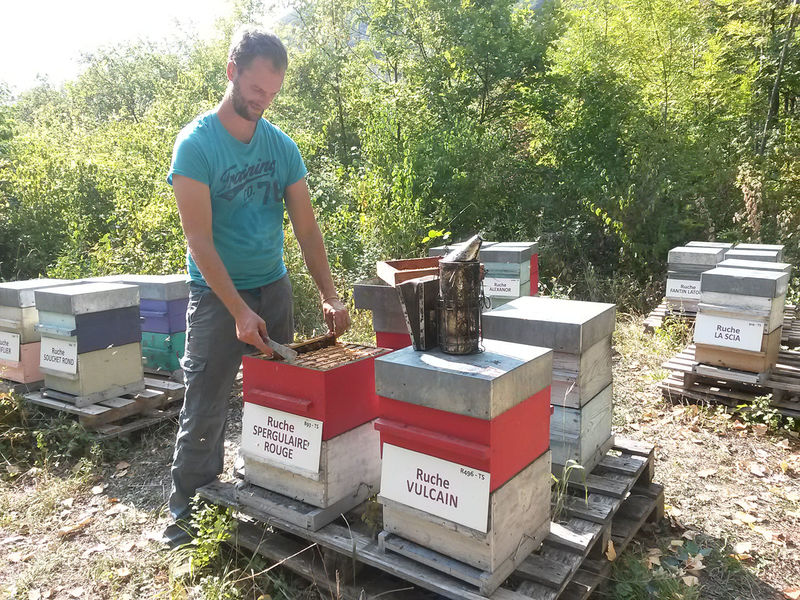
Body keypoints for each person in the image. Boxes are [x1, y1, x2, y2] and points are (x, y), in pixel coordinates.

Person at [163, 26, 350, 547]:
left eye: (271, 93)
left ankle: (279, 498)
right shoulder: (196, 146)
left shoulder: (281, 147)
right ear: (232, 74)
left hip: (275, 288)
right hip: (217, 299)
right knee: (205, 402)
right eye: (254, 91)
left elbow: (307, 230)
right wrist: (239, 311)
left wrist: (330, 294)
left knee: (284, 399)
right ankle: (186, 517)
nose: (262, 102)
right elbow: (199, 240)